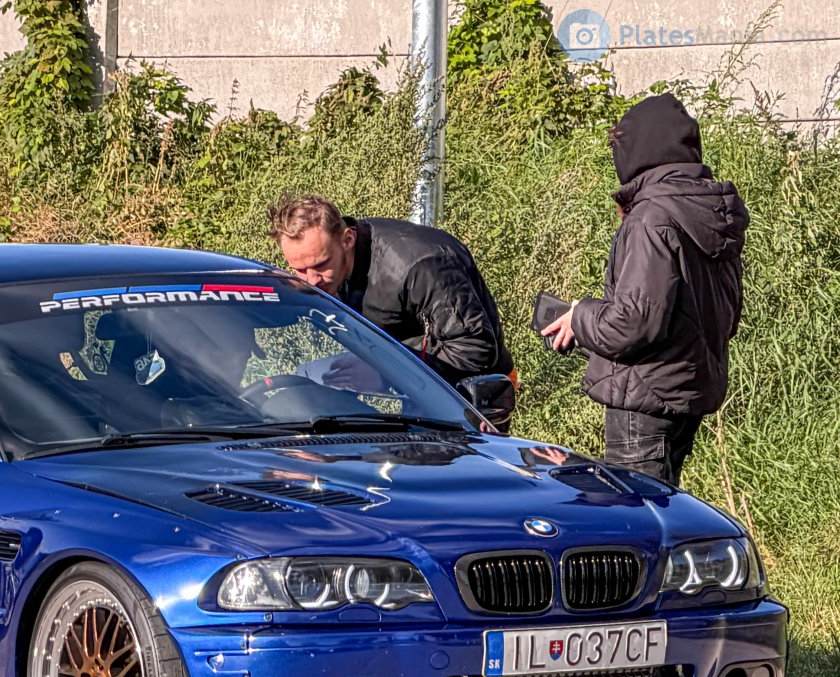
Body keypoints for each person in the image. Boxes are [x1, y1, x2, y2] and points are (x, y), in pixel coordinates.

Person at [542, 92, 749, 486]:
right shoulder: (709, 211)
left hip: (644, 400)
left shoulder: (651, 218)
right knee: (664, 513)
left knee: (638, 525)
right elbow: (727, 315)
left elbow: (634, 323)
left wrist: (580, 315)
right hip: (685, 391)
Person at [266, 194, 514, 388]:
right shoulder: (328, 270)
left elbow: (476, 349)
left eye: (321, 265)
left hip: (478, 394)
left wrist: (385, 373)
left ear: (348, 239)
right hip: (420, 389)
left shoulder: (419, 266)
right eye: (299, 269)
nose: (311, 280)